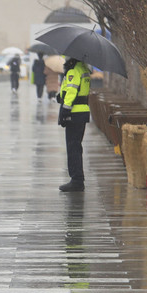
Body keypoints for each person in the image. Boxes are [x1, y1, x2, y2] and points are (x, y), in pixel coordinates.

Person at [57, 57, 91, 192]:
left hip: (74, 113)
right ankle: (78, 178)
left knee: (72, 147)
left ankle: (76, 180)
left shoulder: (74, 71)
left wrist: (65, 110)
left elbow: (72, 91)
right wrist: (61, 95)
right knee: (76, 145)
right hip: (82, 112)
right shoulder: (84, 69)